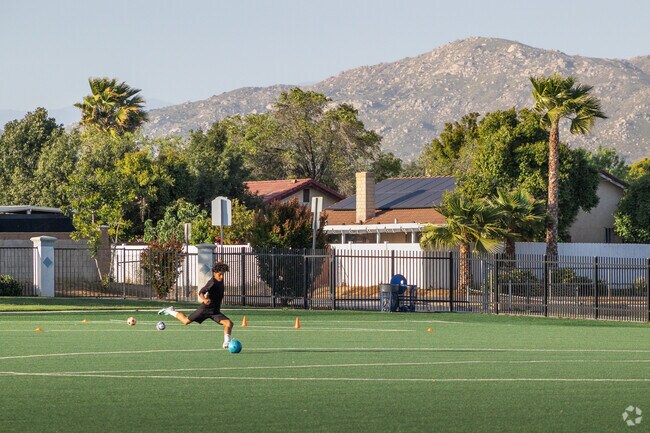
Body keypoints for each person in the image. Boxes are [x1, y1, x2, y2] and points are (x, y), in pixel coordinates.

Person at [158, 261, 234, 349]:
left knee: (229, 323)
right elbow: (201, 292)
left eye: (223, 274)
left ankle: (226, 343)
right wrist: (205, 300)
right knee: (186, 321)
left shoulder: (220, 279)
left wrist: (220, 263)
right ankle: (170, 311)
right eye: (220, 274)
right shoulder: (212, 282)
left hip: (215, 311)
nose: (222, 276)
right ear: (214, 273)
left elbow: (219, 269)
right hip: (205, 309)